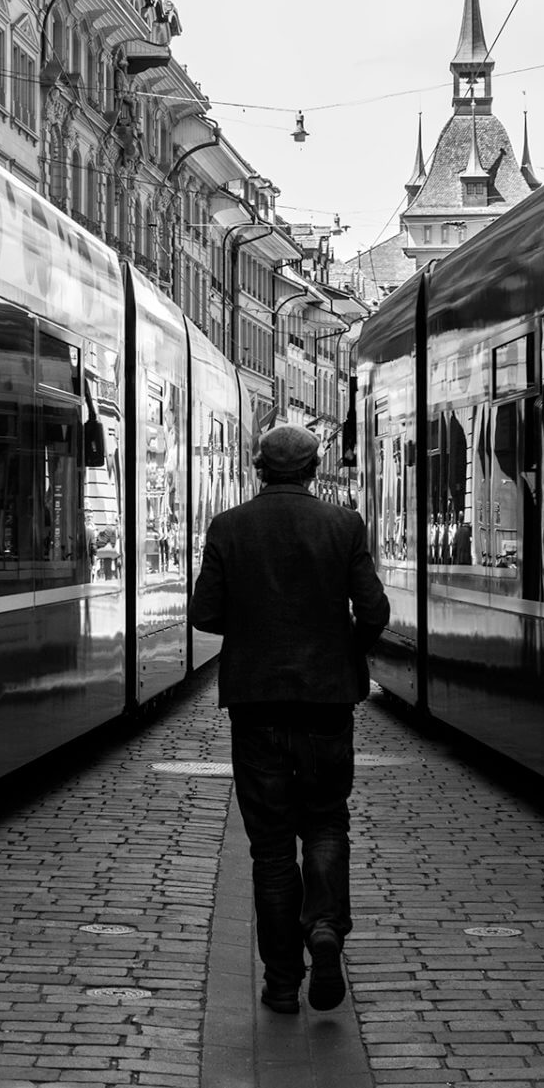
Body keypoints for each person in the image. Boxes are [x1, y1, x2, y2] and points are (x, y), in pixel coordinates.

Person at [191, 424, 389, 1015]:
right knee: (327, 822)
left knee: (271, 848)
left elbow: (205, 614)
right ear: (313, 468)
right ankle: (325, 926)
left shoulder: (228, 527)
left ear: (258, 467)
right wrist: (342, 648)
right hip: (327, 703)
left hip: (256, 709)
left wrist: (256, 634)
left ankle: (282, 983)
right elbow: (374, 611)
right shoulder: (343, 524)